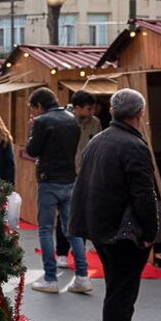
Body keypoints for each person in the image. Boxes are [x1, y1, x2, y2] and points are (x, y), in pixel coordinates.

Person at [69, 88, 158, 321]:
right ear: (140, 114)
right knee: (122, 291)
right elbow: (144, 195)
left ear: (111, 112)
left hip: (101, 227)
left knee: (118, 287)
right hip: (124, 233)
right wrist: (150, 233)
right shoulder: (134, 146)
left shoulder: (99, 140)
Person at [24, 87, 90, 294]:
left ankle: (50, 278)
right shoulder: (72, 120)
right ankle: (82, 276)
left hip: (48, 180)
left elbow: (32, 151)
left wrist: (31, 131)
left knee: (45, 229)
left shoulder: (42, 122)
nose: (34, 113)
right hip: (70, 179)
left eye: (34, 109)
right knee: (73, 229)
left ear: (39, 105)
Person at [53, 90, 104, 265]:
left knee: (82, 214)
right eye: (88, 108)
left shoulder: (95, 123)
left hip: (86, 174)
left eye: (93, 108)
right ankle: (61, 252)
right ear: (77, 108)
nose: (91, 111)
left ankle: (79, 252)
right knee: (64, 213)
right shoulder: (64, 121)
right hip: (65, 173)